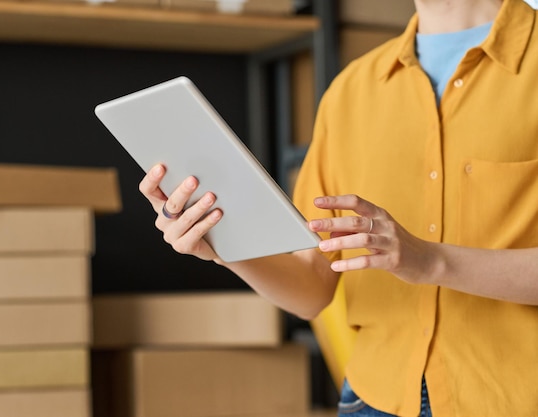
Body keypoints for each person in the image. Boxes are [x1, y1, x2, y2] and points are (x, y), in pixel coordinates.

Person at [138, 0, 538, 415]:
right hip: (375, 398)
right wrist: (223, 245)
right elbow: (312, 289)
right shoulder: (351, 91)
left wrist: (433, 261)